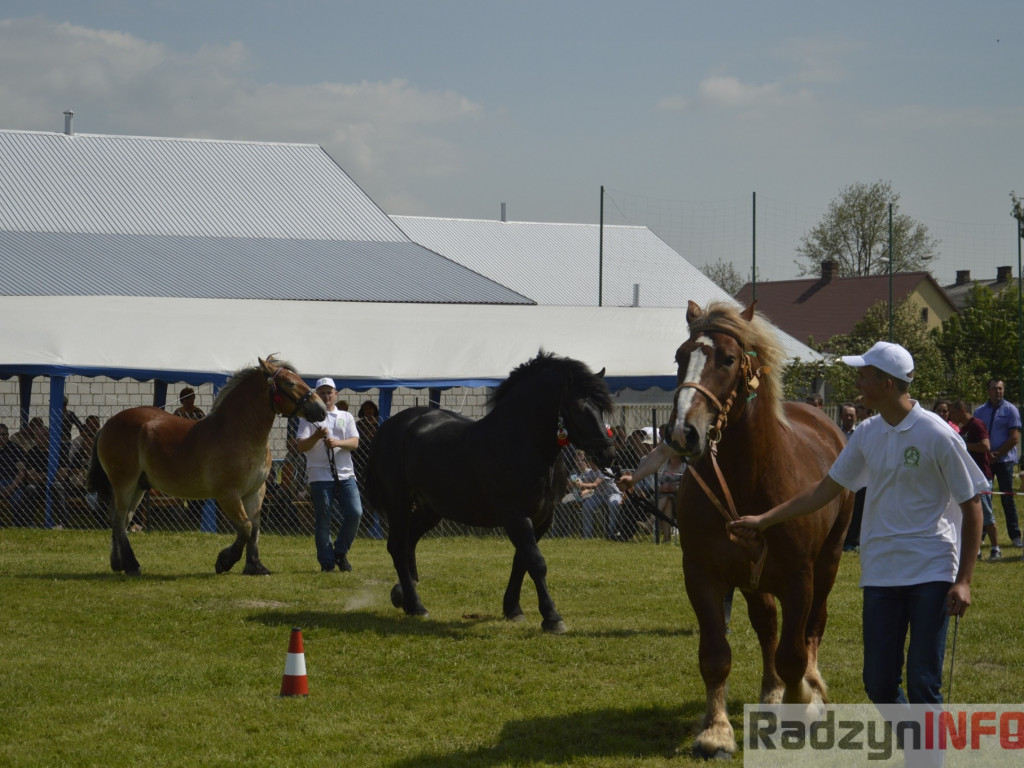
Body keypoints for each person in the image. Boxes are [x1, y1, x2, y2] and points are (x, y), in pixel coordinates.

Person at [730, 341, 984, 711]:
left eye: (864, 376)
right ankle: (920, 747)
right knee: (878, 685)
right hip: (880, 574)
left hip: (931, 573)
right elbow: (823, 490)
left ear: (887, 383)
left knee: (923, 683)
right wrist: (765, 519)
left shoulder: (938, 434)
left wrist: (963, 581)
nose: (857, 384)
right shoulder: (866, 433)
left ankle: (924, 758)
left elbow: (973, 505)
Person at [295, 378, 363, 572]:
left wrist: (337, 443)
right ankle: (327, 564)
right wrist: (316, 436)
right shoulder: (308, 418)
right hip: (319, 476)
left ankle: (340, 552)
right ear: (317, 395)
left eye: (329, 392)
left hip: (345, 475)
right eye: (322, 392)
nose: (326, 396)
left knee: (355, 512)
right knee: (323, 520)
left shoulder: (346, 416)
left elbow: (355, 443)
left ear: (336, 394)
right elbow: (301, 446)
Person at [949, 400, 1000, 560]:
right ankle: (976, 549)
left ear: (961, 410)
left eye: (953, 412)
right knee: (969, 515)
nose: (950, 416)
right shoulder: (963, 429)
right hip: (968, 477)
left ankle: (995, 548)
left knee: (986, 514)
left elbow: (985, 446)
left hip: (981, 477)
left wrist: (963, 444)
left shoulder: (977, 425)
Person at [974, 378, 1022, 548]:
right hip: (985, 462)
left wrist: (997, 454)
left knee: (1007, 499)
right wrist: (986, 456)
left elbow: (1014, 438)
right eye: (994, 388)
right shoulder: (979, 411)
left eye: (1000, 388)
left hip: (1004, 462)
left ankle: (1015, 536)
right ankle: (981, 536)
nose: (998, 391)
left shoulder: (1011, 410)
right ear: (988, 391)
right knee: (984, 499)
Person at [353, 399, 384, 539]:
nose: (368, 411)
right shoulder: (359, 425)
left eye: (371, 408)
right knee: (363, 491)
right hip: (361, 462)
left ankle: (380, 519)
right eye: (365, 409)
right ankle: (365, 519)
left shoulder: (380, 424)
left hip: (377, 461)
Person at [576, 455, 623, 539]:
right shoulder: (590, 472)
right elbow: (586, 485)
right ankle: (587, 535)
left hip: (613, 493)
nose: (592, 467)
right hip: (599, 496)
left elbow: (594, 485)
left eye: (594, 464)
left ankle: (612, 533)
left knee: (613, 504)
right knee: (586, 506)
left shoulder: (605, 470)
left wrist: (582, 484)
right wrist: (579, 484)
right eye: (590, 464)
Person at [0, 422, 27, 515]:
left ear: (8, 435)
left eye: (4, 434)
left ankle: (18, 523)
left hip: (12, 481)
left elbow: (22, 471)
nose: (2, 437)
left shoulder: (15, 449)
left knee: (18, 499)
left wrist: (11, 487)